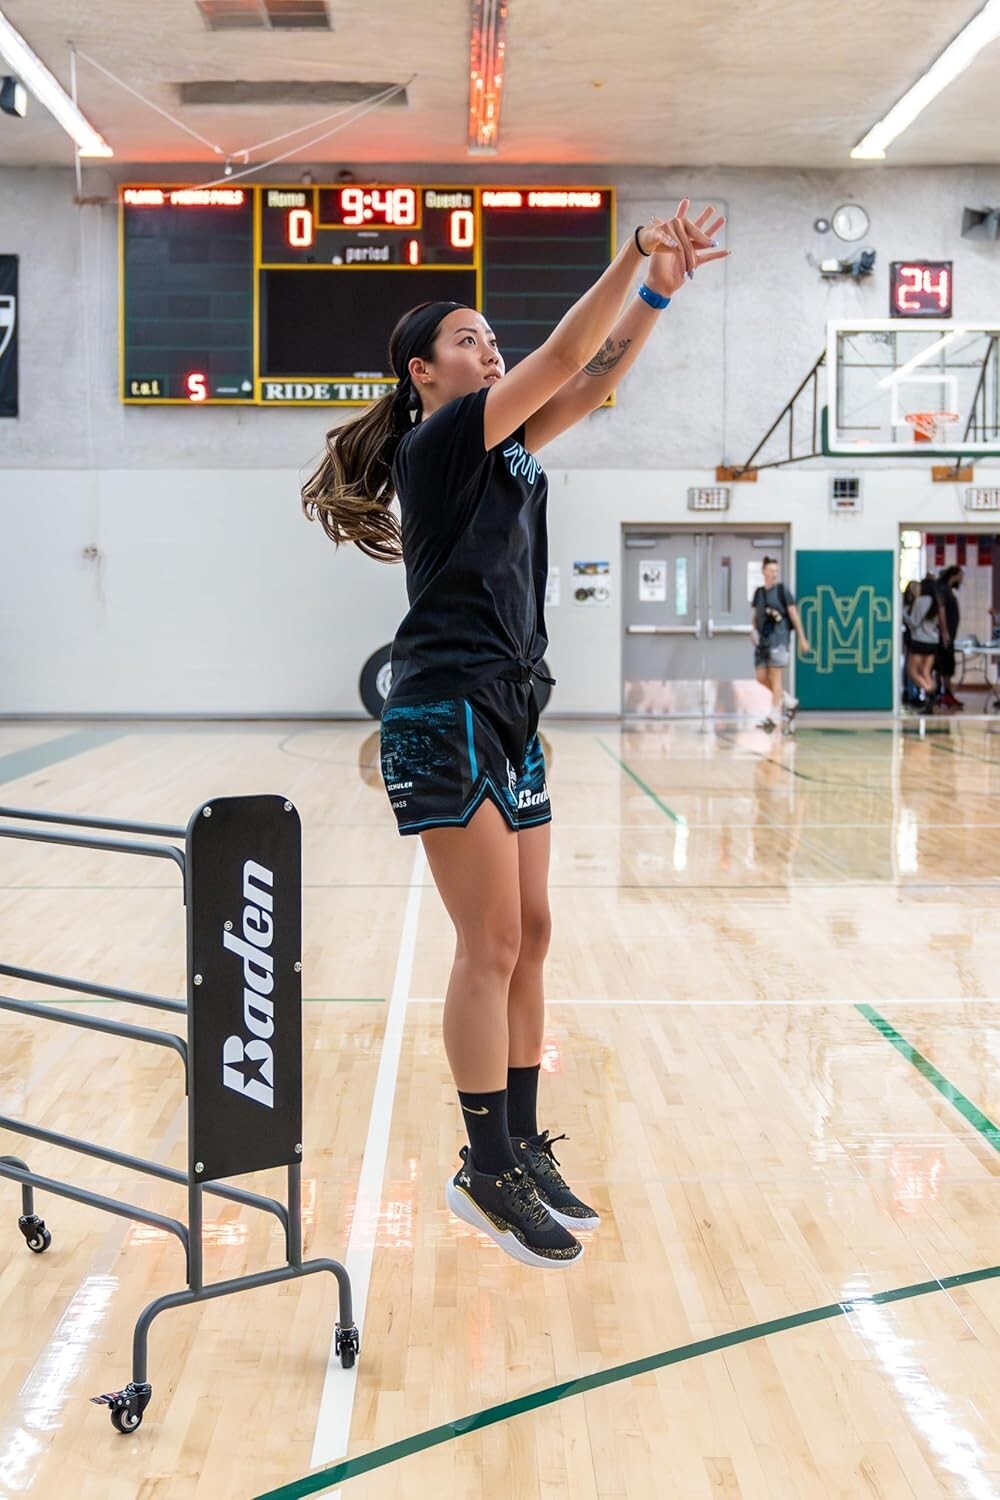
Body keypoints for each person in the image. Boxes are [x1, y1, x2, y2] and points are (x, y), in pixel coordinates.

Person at [302, 200, 728, 1269]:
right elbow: (567, 352)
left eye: (490, 335)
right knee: (487, 943)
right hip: (443, 708)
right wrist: (630, 253)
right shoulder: (443, 442)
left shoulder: (510, 444)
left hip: (510, 708)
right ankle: (482, 1168)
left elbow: (597, 377)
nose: (486, 346)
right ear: (422, 375)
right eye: (466, 338)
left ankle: (524, 1141)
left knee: (531, 933)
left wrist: (663, 291)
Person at [751, 558, 810, 732]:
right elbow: (755, 616)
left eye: (776, 570)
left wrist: (802, 638)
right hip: (763, 641)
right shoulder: (759, 594)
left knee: (776, 679)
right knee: (761, 677)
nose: (774, 573)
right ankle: (790, 702)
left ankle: (772, 717)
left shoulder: (783, 591)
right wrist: (752, 630)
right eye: (771, 570)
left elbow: (794, 616)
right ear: (764, 572)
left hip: (779, 639)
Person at [904, 574, 942, 711]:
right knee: (926, 672)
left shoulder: (921, 601)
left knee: (912, 671)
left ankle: (930, 692)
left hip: (919, 641)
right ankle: (930, 697)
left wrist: (903, 614)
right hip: (933, 641)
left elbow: (913, 622)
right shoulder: (937, 601)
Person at [935, 565, 963, 709]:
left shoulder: (948, 590)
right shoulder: (943, 589)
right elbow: (941, 610)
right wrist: (945, 632)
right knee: (943, 665)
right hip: (944, 636)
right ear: (954, 575)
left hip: (949, 635)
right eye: (961, 576)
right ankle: (942, 694)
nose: (962, 579)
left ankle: (947, 694)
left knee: (947, 666)